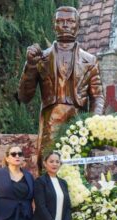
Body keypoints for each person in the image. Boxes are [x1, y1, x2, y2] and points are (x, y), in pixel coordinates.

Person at [17, 6, 105, 158]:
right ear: (54, 25)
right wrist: (30, 65)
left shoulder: (90, 61)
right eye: (60, 21)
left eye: (70, 21)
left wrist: (94, 123)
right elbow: (24, 97)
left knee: (76, 169)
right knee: (47, 166)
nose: (65, 25)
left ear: (78, 25)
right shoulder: (41, 58)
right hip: (51, 122)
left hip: (79, 120)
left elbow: (97, 96)